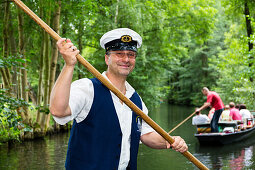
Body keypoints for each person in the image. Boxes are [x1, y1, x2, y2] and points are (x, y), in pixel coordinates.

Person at [50, 28, 188, 170]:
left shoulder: (136, 100)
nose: (126, 59)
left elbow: (146, 135)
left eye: (131, 54)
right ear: (107, 58)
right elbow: (58, 111)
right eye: (119, 54)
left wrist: (170, 141)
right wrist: (69, 65)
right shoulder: (87, 88)